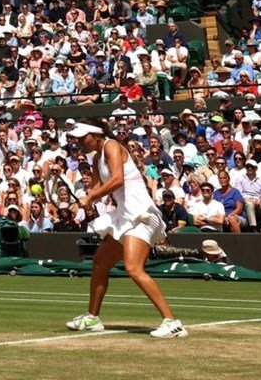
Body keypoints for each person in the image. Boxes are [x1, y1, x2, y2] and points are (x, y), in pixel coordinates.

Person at [62, 123, 186, 338]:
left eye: (83, 138)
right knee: (100, 263)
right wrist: (85, 200)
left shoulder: (111, 145)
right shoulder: (95, 158)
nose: (79, 143)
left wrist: (90, 197)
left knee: (133, 268)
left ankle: (173, 323)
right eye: (77, 139)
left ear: (96, 135)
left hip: (140, 214)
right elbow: (96, 189)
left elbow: (117, 178)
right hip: (124, 216)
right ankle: (92, 318)